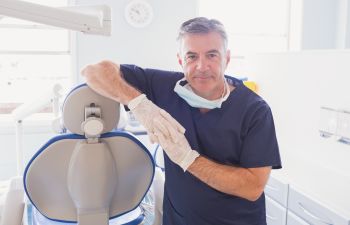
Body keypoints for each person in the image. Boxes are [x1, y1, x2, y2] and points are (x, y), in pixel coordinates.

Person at [82, 17, 281, 225]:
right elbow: (94, 71)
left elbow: (252, 188)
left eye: (212, 55)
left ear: (227, 58)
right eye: (192, 56)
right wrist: (139, 104)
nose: (201, 66)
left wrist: (188, 159)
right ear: (180, 60)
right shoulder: (164, 86)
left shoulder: (254, 111)